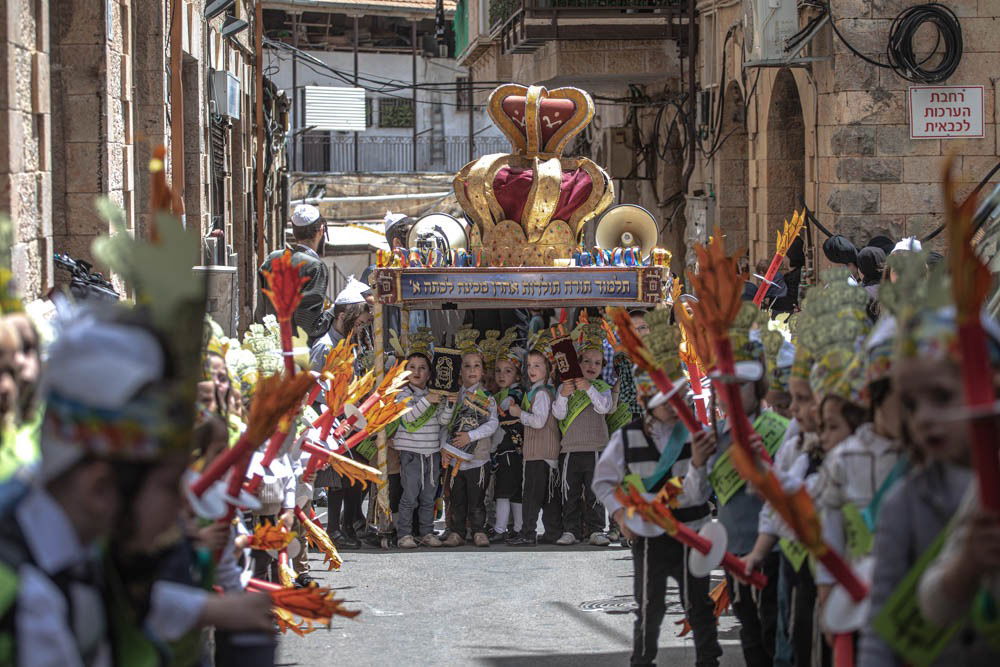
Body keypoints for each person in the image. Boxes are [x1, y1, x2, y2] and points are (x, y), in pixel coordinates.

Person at [595, 381, 722, 667]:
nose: (674, 406)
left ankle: (709, 661)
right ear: (649, 402)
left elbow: (701, 494)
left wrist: (699, 465)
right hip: (649, 535)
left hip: (692, 530)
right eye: (667, 401)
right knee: (649, 605)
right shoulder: (627, 436)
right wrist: (619, 515)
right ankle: (642, 660)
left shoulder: (695, 434)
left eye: (679, 399)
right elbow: (603, 480)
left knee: (698, 603)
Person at [552, 337, 614, 547]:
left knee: (595, 492)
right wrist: (562, 395)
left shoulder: (602, 387)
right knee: (570, 492)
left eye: (597, 363)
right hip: (570, 449)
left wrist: (588, 388)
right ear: (577, 363)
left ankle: (596, 530)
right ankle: (571, 530)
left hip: (595, 448)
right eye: (586, 361)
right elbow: (559, 414)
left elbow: (604, 407)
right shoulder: (567, 388)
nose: (591, 366)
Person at [440, 343, 499, 548]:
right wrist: (444, 449)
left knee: (477, 500)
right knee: (457, 499)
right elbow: (445, 425)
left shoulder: (487, 398)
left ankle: (478, 531)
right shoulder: (454, 397)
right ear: (460, 370)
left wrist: (470, 436)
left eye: (476, 366)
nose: (472, 370)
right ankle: (457, 532)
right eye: (467, 366)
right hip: (455, 459)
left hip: (478, 458)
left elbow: (492, 424)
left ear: (482, 371)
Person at [507, 348, 562, 546]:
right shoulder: (543, 392)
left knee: (531, 495)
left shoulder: (541, 394)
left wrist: (518, 413)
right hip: (547, 453)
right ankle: (552, 532)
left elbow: (538, 422)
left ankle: (528, 532)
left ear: (547, 369)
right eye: (529, 365)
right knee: (547, 496)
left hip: (539, 453)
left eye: (537, 365)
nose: (532, 369)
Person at [391, 345, 444, 549]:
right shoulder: (402, 393)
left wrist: (447, 404)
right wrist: (427, 400)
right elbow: (409, 416)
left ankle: (426, 532)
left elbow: (443, 421)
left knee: (429, 497)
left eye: (422, 368)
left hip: (432, 451)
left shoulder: (434, 393)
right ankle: (404, 533)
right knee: (410, 496)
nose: (416, 372)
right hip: (411, 453)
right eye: (411, 367)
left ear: (429, 373)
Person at [259, 204, 330, 343]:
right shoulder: (315, 266)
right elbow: (308, 323)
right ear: (321, 231)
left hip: (270, 344)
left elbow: (261, 309)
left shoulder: (273, 258)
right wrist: (334, 314)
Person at [489, 349, 525, 542]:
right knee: (514, 491)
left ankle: (501, 528)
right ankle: (517, 528)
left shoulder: (512, 395)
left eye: (508, 371)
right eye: (498, 371)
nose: (502, 375)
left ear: (518, 374)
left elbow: (504, 411)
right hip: (511, 450)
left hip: (508, 449)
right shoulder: (502, 393)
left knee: (503, 491)